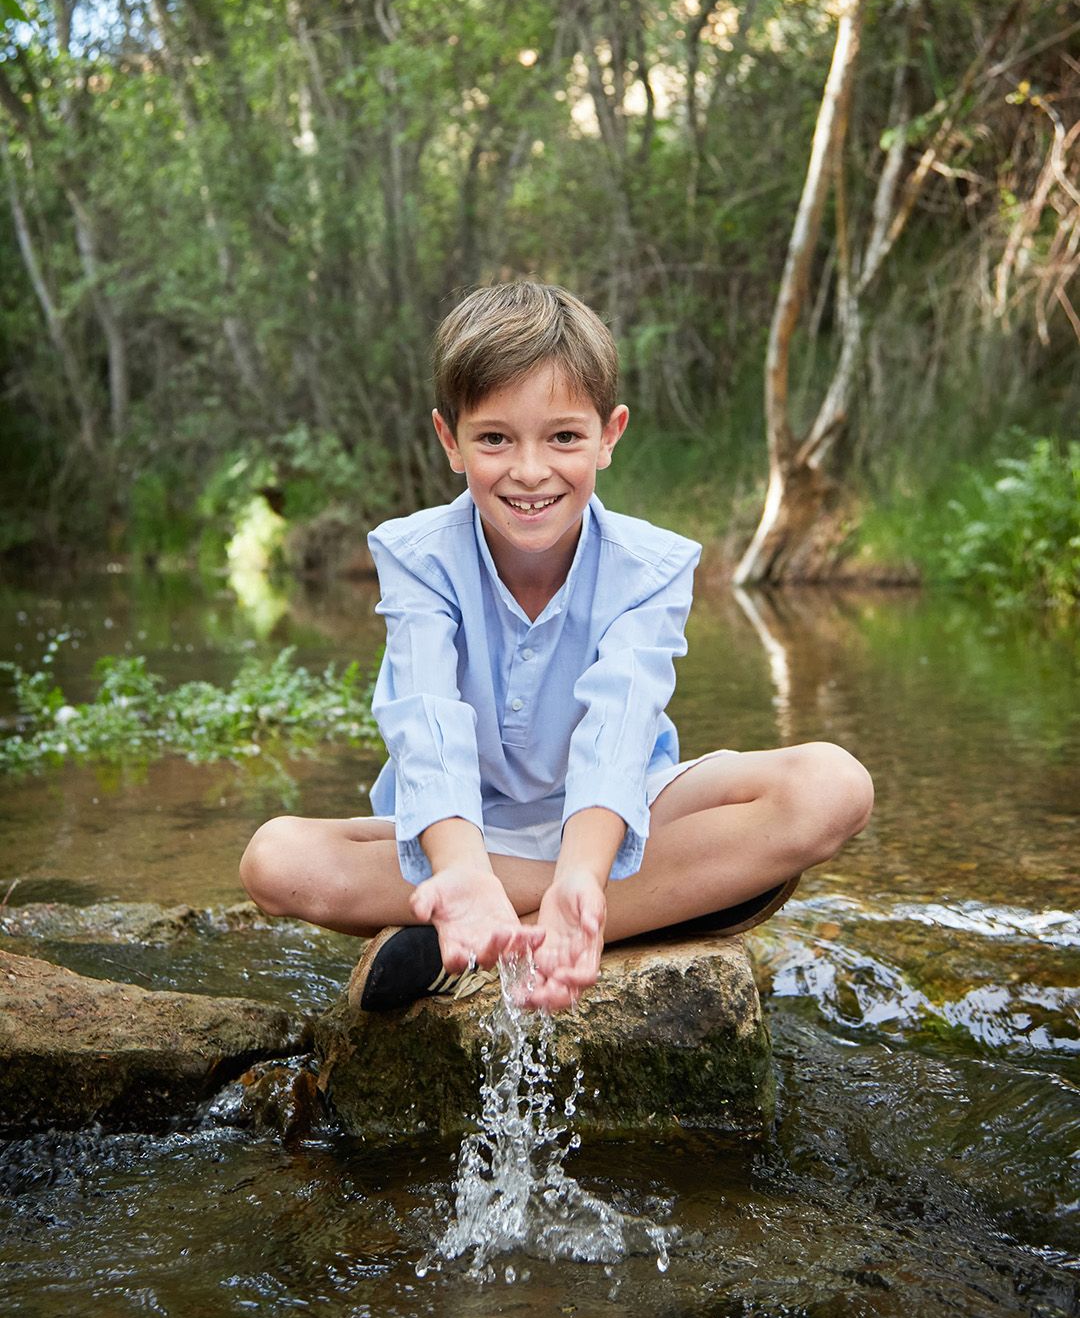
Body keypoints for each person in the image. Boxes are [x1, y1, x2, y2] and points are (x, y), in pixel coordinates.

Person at [240, 282, 873, 1013]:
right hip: (467, 830)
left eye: (564, 437)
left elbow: (619, 729)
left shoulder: (650, 566)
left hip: (620, 816)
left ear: (610, 434)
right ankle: (661, 897)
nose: (531, 470)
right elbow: (428, 725)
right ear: (451, 441)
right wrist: (464, 868)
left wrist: (581, 870)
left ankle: (522, 932)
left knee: (833, 786)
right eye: (495, 438)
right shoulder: (417, 556)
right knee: (276, 861)